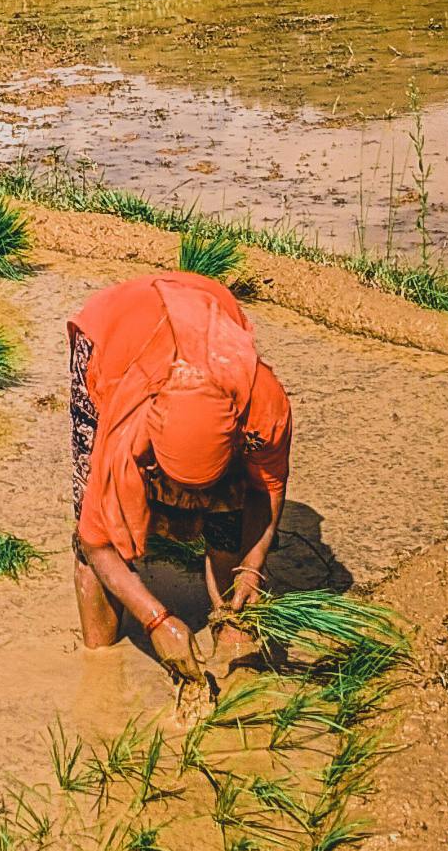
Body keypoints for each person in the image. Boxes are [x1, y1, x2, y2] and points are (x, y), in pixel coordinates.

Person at [68, 268, 291, 674]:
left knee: (233, 515)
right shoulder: (123, 432)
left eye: (204, 492)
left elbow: (266, 490)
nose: (193, 508)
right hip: (115, 333)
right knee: (96, 524)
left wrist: (252, 568)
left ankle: (234, 635)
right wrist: (155, 619)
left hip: (205, 317)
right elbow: (94, 541)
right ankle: (99, 660)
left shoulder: (263, 406)